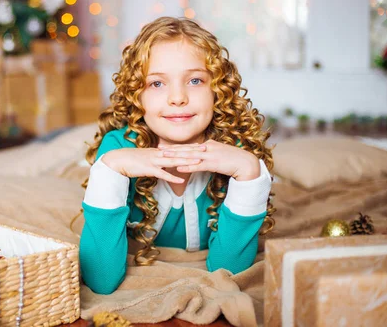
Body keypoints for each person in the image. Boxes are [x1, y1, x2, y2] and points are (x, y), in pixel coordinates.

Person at [79, 17, 275, 295]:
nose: (178, 97)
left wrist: (249, 172)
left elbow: (228, 272)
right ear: (137, 95)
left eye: (195, 80)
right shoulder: (117, 150)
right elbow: (101, 278)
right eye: (157, 84)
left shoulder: (236, 152)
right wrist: (110, 170)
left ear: (217, 90)